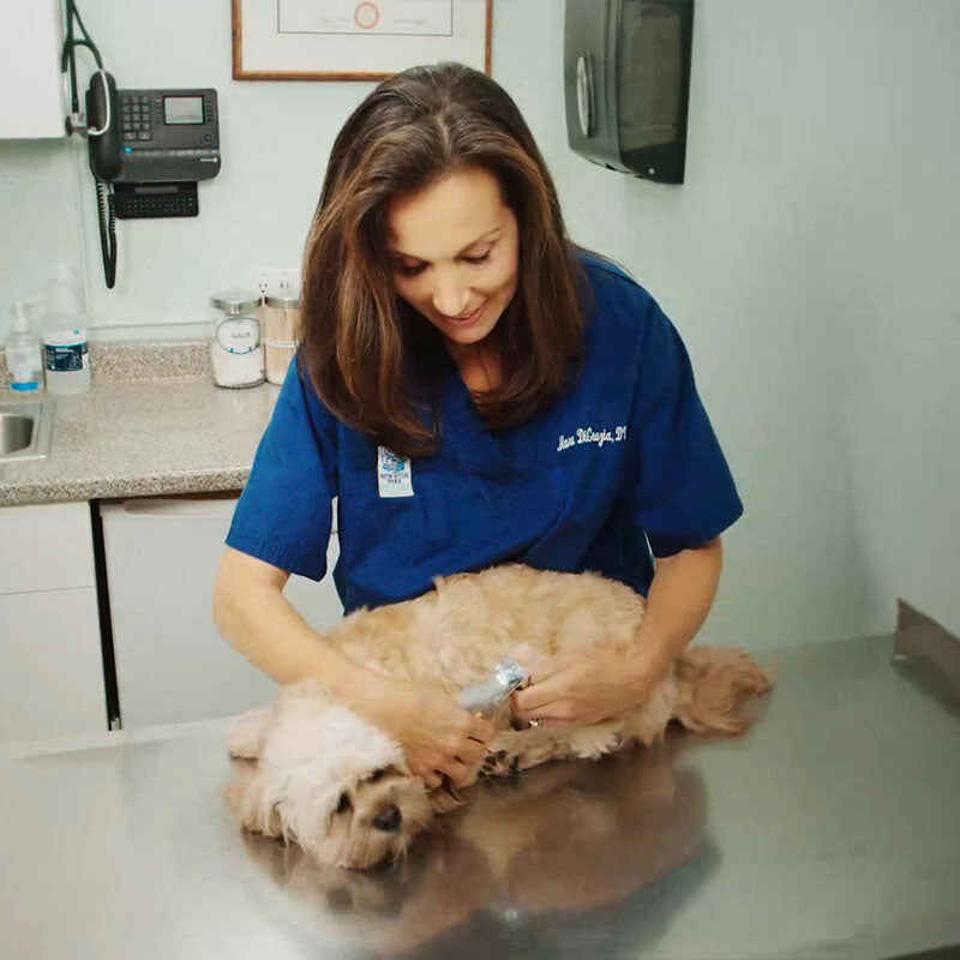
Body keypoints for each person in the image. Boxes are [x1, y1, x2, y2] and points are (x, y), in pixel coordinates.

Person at [214, 62, 742, 791]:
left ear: (528, 218)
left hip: (591, 745)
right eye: (411, 266)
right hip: (420, 748)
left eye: (478, 255)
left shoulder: (622, 329)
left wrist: (638, 669)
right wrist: (388, 707)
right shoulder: (346, 355)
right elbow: (241, 599)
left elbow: (694, 546)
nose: (453, 297)